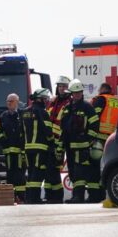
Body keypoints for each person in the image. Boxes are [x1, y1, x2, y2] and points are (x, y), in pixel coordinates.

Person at [60, 79, 99, 203]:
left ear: (82, 92)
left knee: (79, 172)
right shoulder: (67, 108)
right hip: (69, 146)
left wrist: (89, 140)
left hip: (82, 146)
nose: (77, 95)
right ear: (71, 93)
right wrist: (61, 144)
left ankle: (78, 196)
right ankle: (76, 196)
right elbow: (63, 127)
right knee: (72, 171)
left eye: (79, 92)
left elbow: (94, 125)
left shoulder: (87, 107)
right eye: (75, 92)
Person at [87, 83, 118, 202]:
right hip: (112, 139)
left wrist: (89, 134)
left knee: (94, 165)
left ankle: (94, 195)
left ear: (101, 90)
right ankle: (104, 194)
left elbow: (94, 117)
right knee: (106, 166)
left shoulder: (101, 99)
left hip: (99, 137)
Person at [22, 88, 54, 204]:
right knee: (38, 173)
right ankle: (35, 198)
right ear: (40, 99)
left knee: (30, 173)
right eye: (45, 99)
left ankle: (29, 197)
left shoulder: (24, 112)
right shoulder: (42, 112)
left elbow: (21, 131)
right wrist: (52, 143)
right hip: (40, 148)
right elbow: (48, 131)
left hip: (27, 148)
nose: (46, 101)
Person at [45, 75, 72, 203]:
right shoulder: (53, 102)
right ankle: (51, 196)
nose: (61, 89)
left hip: (62, 142)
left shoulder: (70, 103)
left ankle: (57, 196)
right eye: (59, 86)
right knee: (50, 169)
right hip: (50, 142)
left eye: (64, 86)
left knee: (56, 168)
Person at [0, 93, 26, 202]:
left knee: (20, 175)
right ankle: (12, 197)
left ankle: (22, 196)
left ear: (17, 102)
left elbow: (25, 132)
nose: (9, 103)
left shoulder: (22, 115)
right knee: (10, 175)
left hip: (20, 152)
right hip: (8, 153)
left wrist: (22, 143)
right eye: (8, 101)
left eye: (11, 101)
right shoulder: (3, 116)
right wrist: (3, 141)